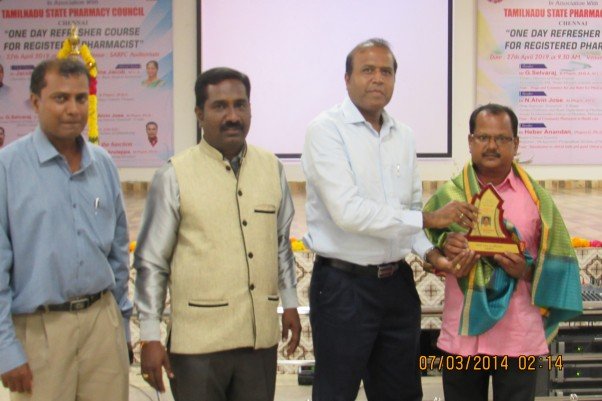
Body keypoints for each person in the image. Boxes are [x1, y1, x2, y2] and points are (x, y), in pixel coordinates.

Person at [302, 38, 478, 401]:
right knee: (336, 392)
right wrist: (430, 217)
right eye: (367, 70)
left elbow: (408, 214)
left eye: (386, 71)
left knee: (401, 393)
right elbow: (348, 212)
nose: (377, 78)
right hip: (343, 287)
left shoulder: (404, 135)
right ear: (347, 78)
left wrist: (434, 256)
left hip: (397, 286)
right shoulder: (326, 130)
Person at [134, 67, 302, 401]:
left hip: (258, 341)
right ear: (199, 113)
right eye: (220, 106)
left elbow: (280, 243)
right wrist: (150, 335)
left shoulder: (271, 168)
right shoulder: (174, 175)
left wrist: (290, 304)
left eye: (240, 105)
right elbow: (152, 262)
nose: (232, 116)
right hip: (198, 348)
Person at [423, 103, 583, 401]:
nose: (491, 146)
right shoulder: (450, 197)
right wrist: (444, 250)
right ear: (470, 141)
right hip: (463, 335)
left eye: (501, 138)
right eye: (483, 137)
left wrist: (525, 269)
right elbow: (426, 245)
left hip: (518, 337)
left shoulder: (537, 201)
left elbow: (556, 268)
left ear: (516, 143)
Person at [0, 58, 132, 400]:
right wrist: (6, 350)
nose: (73, 109)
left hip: (102, 324)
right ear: (35, 102)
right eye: (60, 98)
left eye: (80, 98)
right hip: (41, 329)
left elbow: (118, 254)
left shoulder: (103, 164)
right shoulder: (8, 168)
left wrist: (122, 326)